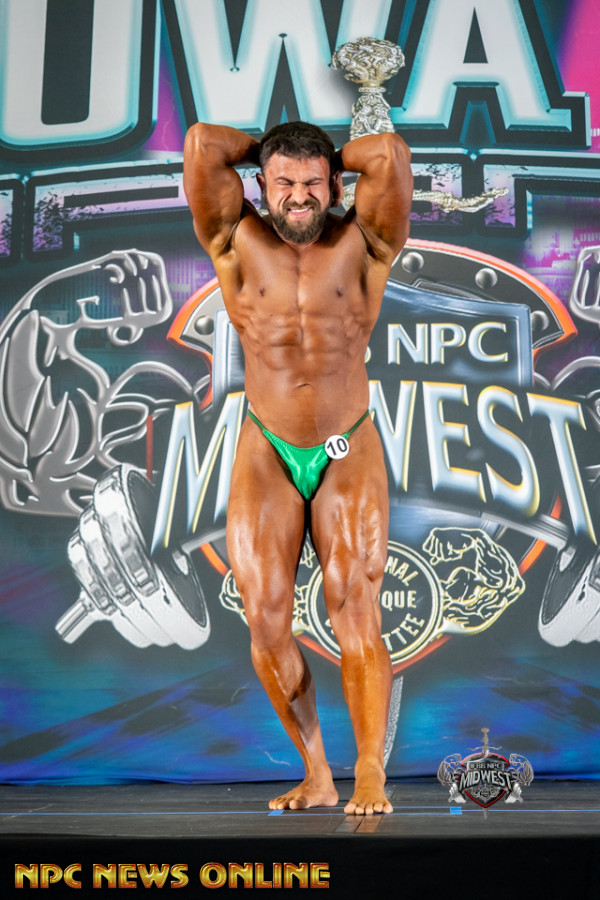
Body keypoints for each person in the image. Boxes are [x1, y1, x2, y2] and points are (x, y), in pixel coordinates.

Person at [183, 120, 413, 815]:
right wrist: (277, 152)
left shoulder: (365, 241)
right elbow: (201, 144)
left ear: (336, 185)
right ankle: (316, 772)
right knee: (265, 618)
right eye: (284, 182)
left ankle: (368, 771)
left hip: (348, 443)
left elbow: (389, 153)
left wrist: (324, 156)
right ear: (261, 184)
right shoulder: (234, 238)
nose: (300, 195)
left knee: (354, 605)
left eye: (313, 183)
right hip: (268, 445)